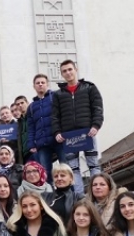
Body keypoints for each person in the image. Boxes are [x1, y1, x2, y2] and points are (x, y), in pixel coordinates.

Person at [51, 60, 104, 194]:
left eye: (70, 69)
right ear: (62, 74)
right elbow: (55, 116)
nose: (68, 73)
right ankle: (79, 196)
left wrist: (96, 125)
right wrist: (57, 132)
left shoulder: (90, 88)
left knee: (93, 165)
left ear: (76, 69)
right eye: (64, 71)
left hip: (88, 133)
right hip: (69, 136)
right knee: (73, 169)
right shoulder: (58, 94)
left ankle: (97, 193)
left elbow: (97, 108)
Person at [27, 74, 64, 184]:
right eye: (38, 83)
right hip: (42, 143)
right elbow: (31, 127)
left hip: (58, 140)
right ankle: (50, 197)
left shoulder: (55, 98)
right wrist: (31, 144)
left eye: (42, 82)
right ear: (34, 86)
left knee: (65, 168)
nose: (40, 85)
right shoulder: (32, 107)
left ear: (47, 84)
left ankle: (70, 194)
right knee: (45, 173)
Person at [14, 96, 31, 163]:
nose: (20, 105)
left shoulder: (33, 116)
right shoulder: (18, 122)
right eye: (18, 104)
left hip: (35, 150)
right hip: (24, 154)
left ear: (27, 103)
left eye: (22, 103)